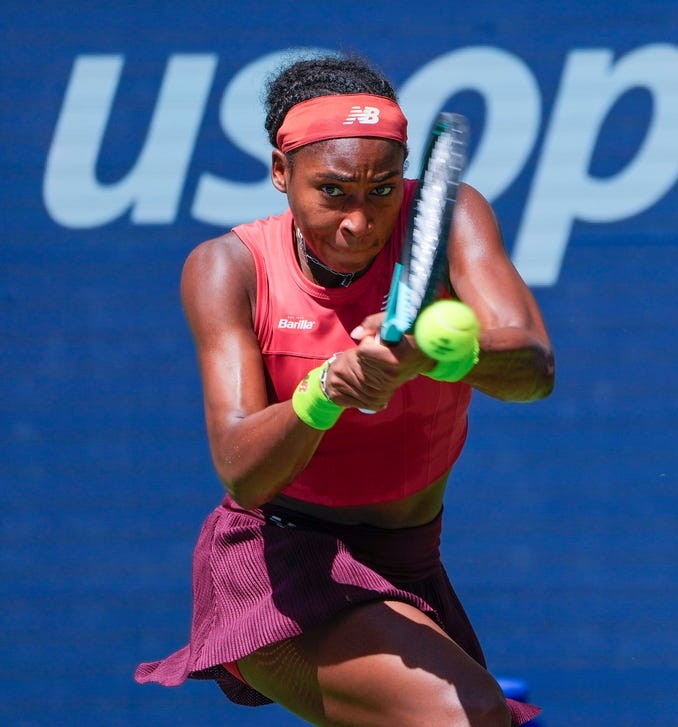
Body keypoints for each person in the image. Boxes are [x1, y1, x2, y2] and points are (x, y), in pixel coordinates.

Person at [134, 53, 554, 727]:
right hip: (278, 567)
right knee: (466, 715)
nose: (359, 221)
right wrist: (322, 391)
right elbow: (242, 468)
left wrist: (430, 355)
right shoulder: (226, 269)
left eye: (382, 191)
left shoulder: (451, 219)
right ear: (281, 171)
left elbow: (534, 368)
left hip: (409, 561)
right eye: (333, 192)